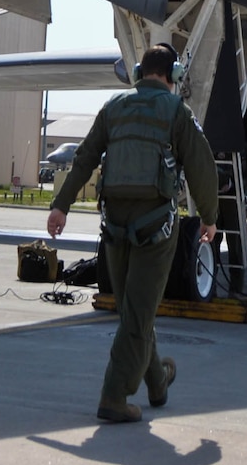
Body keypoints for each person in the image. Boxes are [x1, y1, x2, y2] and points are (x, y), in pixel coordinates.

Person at [48, 43, 218, 423]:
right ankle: (113, 396)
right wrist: (209, 215)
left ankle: (157, 382)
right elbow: (201, 166)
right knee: (137, 316)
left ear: (140, 71)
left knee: (133, 312)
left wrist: (60, 205)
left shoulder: (113, 107)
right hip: (156, 228)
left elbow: (85, 158)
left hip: (114, 226)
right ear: (173, 75)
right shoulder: (177, 110)